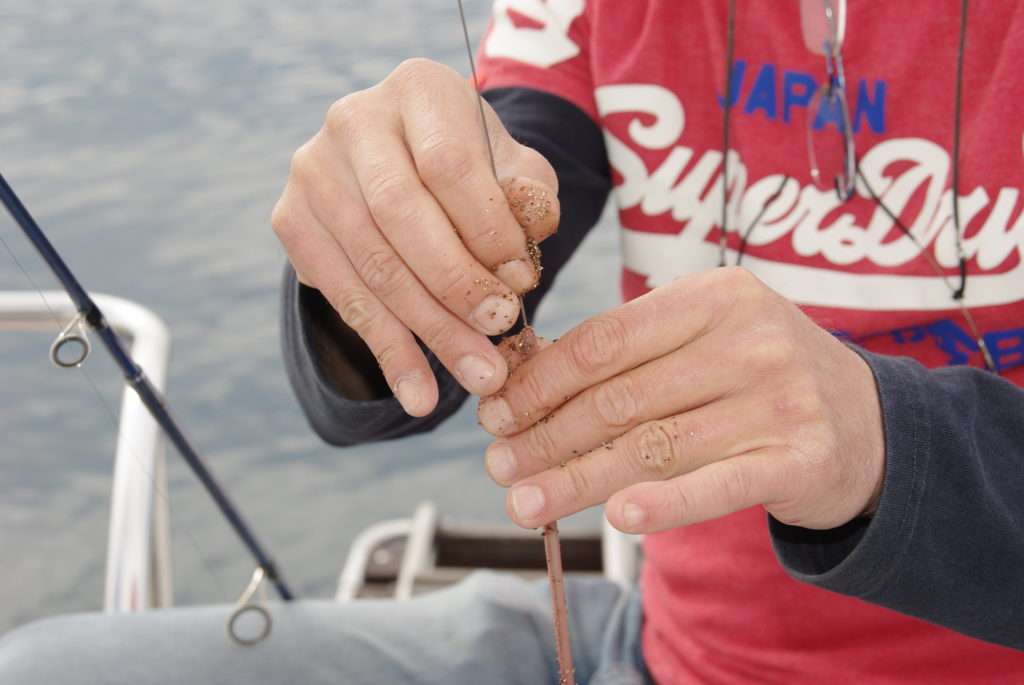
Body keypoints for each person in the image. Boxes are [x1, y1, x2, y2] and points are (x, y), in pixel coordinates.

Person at [1, 1, 1021, 683]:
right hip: (660, 657)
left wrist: (881, 439)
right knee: (49, 666)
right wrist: (384, 234)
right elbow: (509, 171)